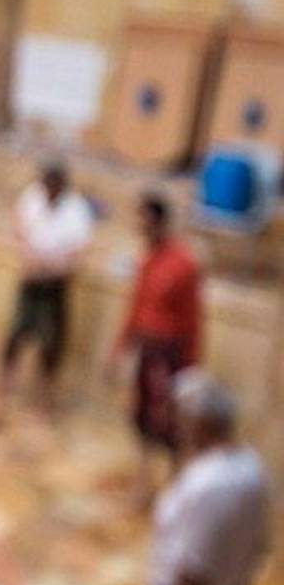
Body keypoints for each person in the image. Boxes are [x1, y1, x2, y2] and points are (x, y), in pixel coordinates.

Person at [146, 370, 269, 585]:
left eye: (179, 415)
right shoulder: (252, 466)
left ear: (198, 422)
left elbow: (192, 576)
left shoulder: (208, 486)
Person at [109, 194, 203, 500]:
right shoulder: (146, 260)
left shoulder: (184, 264)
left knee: (170, 421)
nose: (142, 229)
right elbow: (135, 308)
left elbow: (193, 319)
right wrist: (119, 349)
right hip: (146, 351)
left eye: (146, 223)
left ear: (161, 223)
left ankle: (177, 486)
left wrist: (190, 366)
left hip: (169, 354)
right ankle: (144, 480)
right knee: (143, 417)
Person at [0, 162, 93, 426]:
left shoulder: (76, 210)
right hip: (30, 280)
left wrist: (50, 269)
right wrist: (29, 258)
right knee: (14, 338)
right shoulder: (32, 197)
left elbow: (79, 254)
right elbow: (19, 228)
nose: (47, 192)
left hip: (54, 286)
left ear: (61, 187)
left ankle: (43, 403)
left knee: (50, 346)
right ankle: (0, 398)